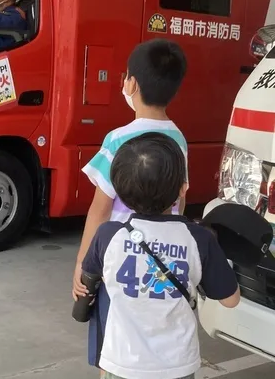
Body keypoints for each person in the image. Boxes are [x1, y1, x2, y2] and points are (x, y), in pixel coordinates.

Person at [81, 132, 240, 379]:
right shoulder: (198, 239)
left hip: (120, 363)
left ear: (120, 194)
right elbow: (230, 300)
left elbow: (88, 277)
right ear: (183, 188)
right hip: (176, 365)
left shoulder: (108, 235)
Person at [73, 38, 188, 300]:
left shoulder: (117, 139)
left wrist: (82, 262)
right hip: (160, 256)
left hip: (118, 252)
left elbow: (100, 209)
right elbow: (180, 202)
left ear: (132, 84)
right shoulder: (179, 139)